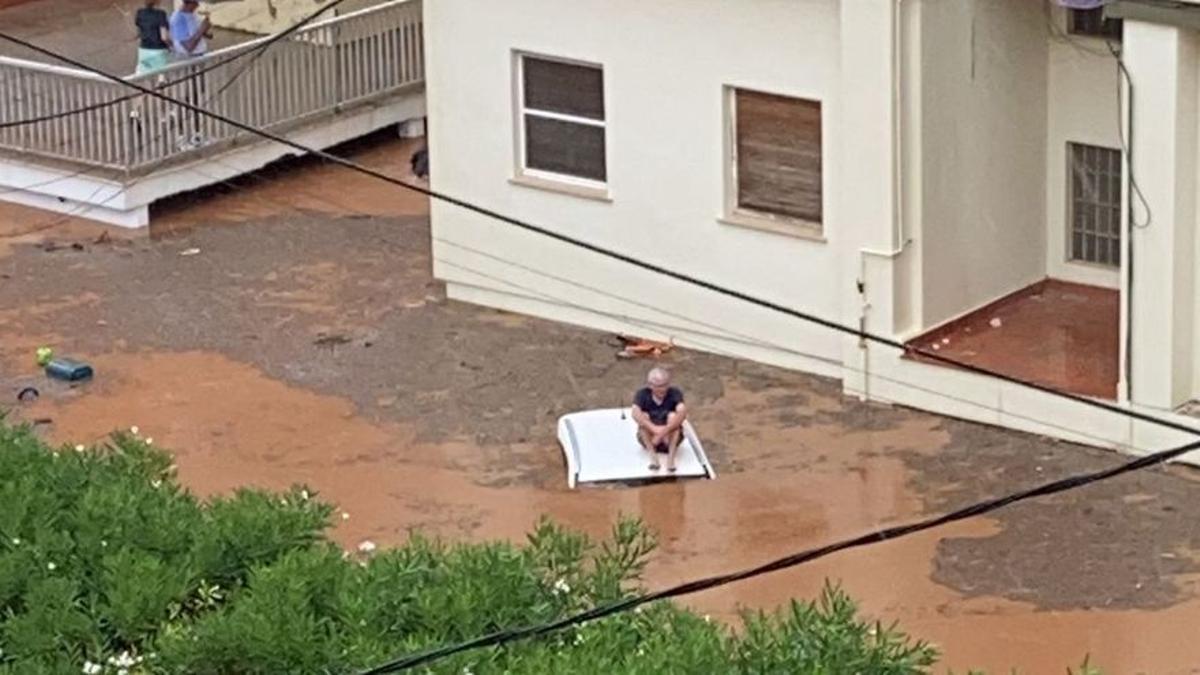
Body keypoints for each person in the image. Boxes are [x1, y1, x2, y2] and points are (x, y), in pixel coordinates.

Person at [631, 366, 687, 473]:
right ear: (650, 385)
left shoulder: (674, 393)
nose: (663, 389)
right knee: (644, 417)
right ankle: (653, 457)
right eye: (659, 386)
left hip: (669, 437)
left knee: (673, 417)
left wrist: (663, 432)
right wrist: (654, 430)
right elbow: (635, 412)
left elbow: (682, 412)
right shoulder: (642, 394)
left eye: (665, 385)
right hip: (651, 439)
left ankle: (671, 459)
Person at [133, 0, 171, 75]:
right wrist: (170, 45)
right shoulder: (161, 14)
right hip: (159, 50)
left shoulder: (140, 12)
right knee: (161, 76)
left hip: (144, 50)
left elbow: (139, 32)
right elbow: (164, 37)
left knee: (143, 75)